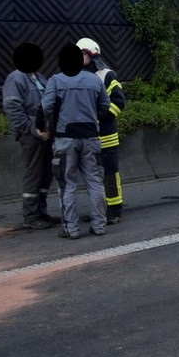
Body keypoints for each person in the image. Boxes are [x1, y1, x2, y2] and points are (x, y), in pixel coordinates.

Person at [42, 43, 110, 239]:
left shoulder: (56, 80)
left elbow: (45, 108)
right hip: (91, 138)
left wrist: (43, 127)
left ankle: (71, 229)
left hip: (65, 141)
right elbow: (105, 106)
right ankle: (99, 226)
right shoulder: (94, 80)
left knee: (67, 185)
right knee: (95, 183)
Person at [1, 42, 57, 230]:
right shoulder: (16, 79)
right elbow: (13, 109)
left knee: (46, 173)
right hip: (31, 136)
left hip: (47, 134)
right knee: (33, 174)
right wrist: (33, 129)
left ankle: (42, 211)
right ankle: (31, 216)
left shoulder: (40, 78)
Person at [78, 37, 126, 225]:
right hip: (86, 136)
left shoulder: (106, 75)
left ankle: (114, 210)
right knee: (93, 176)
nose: (79, 58)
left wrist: (99, 116)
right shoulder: (75, 75)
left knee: (110, 173)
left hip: (106, 135)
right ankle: (100, 210)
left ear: (92, 54)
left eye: (82, 54)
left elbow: (118, 102)